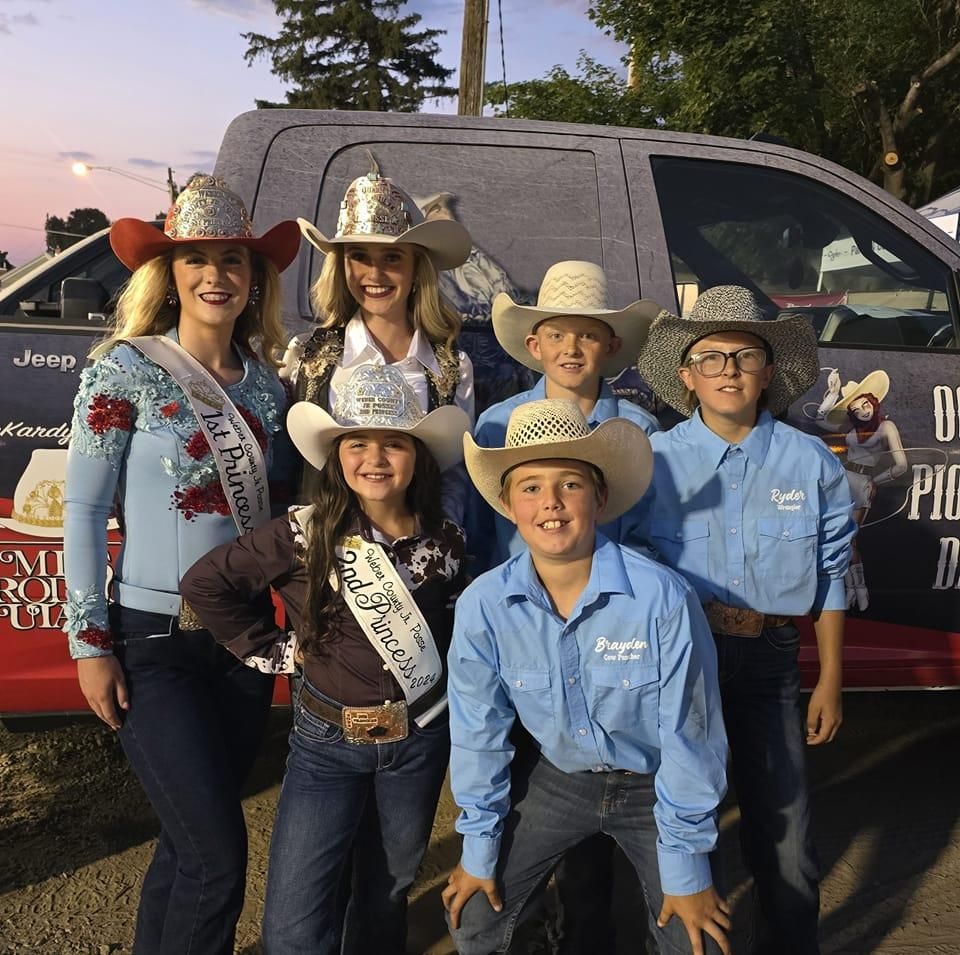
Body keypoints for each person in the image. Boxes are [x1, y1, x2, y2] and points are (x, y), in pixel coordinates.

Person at [63, 175, 300, 955]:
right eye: (196, 258)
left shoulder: (268, 389)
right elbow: (86, 513)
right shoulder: (121, 370)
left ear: (252, 276)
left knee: (184, 842)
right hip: (151, 642)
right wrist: (90, 643)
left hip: (239, 645)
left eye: (233, 259)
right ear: (169, 273)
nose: (216, 274)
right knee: (218, 857)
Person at [180, 363, 471, 955]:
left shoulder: (446, 538)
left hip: (417, 743)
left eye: (393, 443)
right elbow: (207, 584)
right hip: (326, 746)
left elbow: (457, 626)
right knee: (293, 919)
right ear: (335, 456)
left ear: (417, 455)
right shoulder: (301, 533)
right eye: (356, 443)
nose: (375, 457)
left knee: (385, 893)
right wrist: (273, 651)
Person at [442, 398, 730, 955]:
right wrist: (477, 849)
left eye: (569, 484)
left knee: (695, 937)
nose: (550, 503)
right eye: (530, 487)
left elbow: (691, 735)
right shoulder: (483, 605)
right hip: (560, 778)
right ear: (507, 504)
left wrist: (689, 864)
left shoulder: (662, 598)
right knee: (475, 918)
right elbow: (478, 732)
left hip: (655, 783)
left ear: (599, 498)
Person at [637, 286, 857, 954]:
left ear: (769, 372)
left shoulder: (811, 463)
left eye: (744, 355)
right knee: (685, 835)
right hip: (681, 667)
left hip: (769, 661)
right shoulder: (654, 464)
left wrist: (830, 679)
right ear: (686, 374)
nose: (728, 369)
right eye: (711, 357)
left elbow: (831, 573)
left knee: (785, 838)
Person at [283, 162, 475, 519]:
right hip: (322, 556)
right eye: (359, 256)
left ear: (417, 268)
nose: (374, 274)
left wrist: (441, 539)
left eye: (392, 258)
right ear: (341, 265)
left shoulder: (452, 365)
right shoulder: (306, 356)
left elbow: (454, 473)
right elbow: (289, 468)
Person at [467, 259, 660, 574]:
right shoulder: (497, 425)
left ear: (611, 346)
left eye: (588, 336)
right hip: (518, 604)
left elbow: (646, 532)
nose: (571, 349)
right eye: (556, 335)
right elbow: (480, 531)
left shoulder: (639, 430)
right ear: (535, 346)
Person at [815, 369, 907, 611]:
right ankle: (852, 590)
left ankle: (860, 589)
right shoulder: (850, 428)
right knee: (837, 537)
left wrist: (875, 480)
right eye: (856, 409)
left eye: (865, 404)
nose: (862, 410)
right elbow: (820, 420)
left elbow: (901, 465)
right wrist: (833, 393)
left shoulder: (886, 426)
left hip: (863, 482)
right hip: (842, 479)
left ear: (872, 401)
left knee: (851, 537)